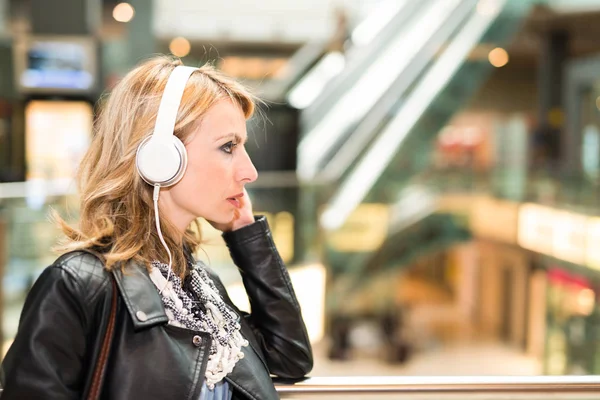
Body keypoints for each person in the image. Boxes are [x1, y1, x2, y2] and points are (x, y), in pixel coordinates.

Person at [0, 56, 313, 399]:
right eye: (228, 147)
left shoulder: (197, 284)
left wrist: (245, 233)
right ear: (161, 156)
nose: (249, 171)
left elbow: (289, 357)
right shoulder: (78, 285)